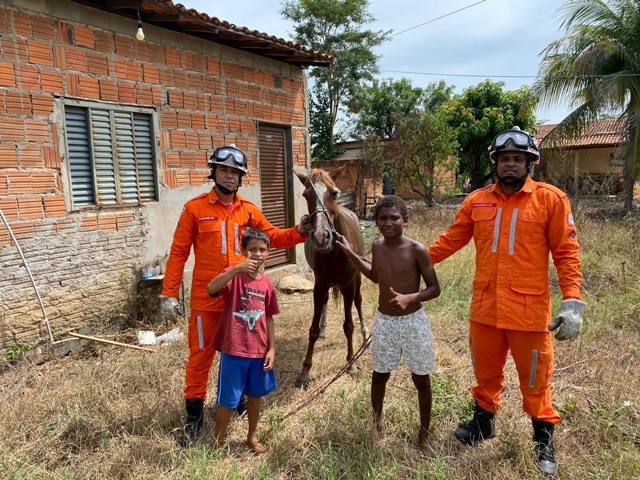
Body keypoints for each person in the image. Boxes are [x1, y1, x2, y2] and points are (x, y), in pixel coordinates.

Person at [427, 126, 586, 476]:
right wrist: (410, 260)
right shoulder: (477, 201)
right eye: (504, 159)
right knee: (485, 372)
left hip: (530, 313)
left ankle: (543, 442)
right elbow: (449, 241)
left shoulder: (551, 200)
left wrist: (572, 302)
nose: (510, 165)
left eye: (517, 159)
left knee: (535, 377)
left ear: (531, 163)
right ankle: (483, 425)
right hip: (485, 307)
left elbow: (566, 254)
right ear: (495, 163)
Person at [160, 144, 310, 444]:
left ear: (241, 178)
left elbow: (274, 237)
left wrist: (301, 230)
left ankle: (238, 400)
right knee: (200, 357)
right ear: (213, 171)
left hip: (242, 303)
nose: (230, 176)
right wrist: (169, 292)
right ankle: (194, 417)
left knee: (241, 352)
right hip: (208, 299)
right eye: (224, 170)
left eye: (236, 172)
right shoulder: (194, 209)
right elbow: (178, 252)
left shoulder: (249, 211)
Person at [336, 195, 440, 452]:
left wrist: (410, 298)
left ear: (405, 219)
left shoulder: (417, 249)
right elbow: (374, 276)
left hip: (414, 322)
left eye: (394, 218)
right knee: (380, 375)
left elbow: (435, 288)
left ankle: (424, 431)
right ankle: (377, 423)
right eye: (382, 218)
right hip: (385, 322)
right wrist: (350, 253)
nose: (388, 223)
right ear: (376, 222)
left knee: (421, 380)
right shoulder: (377, 247)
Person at [206, 228, 278, 454]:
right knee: (228, 400)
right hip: (235, 350)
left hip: (259, 350)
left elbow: (268, 316)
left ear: (268, 253)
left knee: (255, 395)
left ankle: (252, 437)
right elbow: (211, 289)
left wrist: (272, 348)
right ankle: (218, 445)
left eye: (262, 250)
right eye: (252, 250)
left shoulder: (266, 284)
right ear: (243, 251)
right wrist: (236, 268)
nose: (257, 254)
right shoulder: (234, 274)